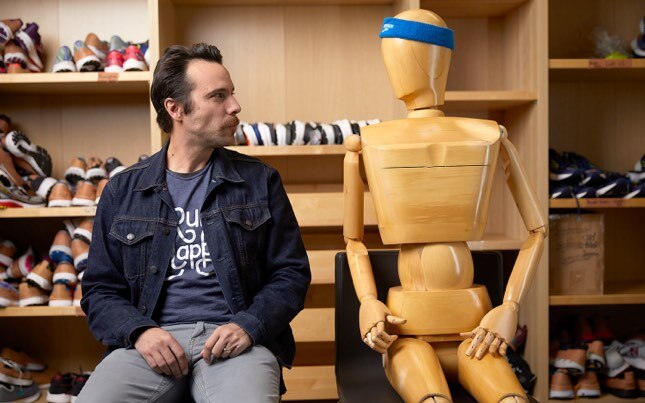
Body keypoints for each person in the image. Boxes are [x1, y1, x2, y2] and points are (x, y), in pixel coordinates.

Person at [78, 43, 311, 402]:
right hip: (148, 345)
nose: (235, 106)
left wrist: (248, 326)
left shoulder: (260, 181)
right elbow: (99, 290)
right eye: (218, 96)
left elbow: (291, 274)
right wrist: (139, 332)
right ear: (175, 109)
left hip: (234, 343)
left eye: (232, 93)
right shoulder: (122, 190)